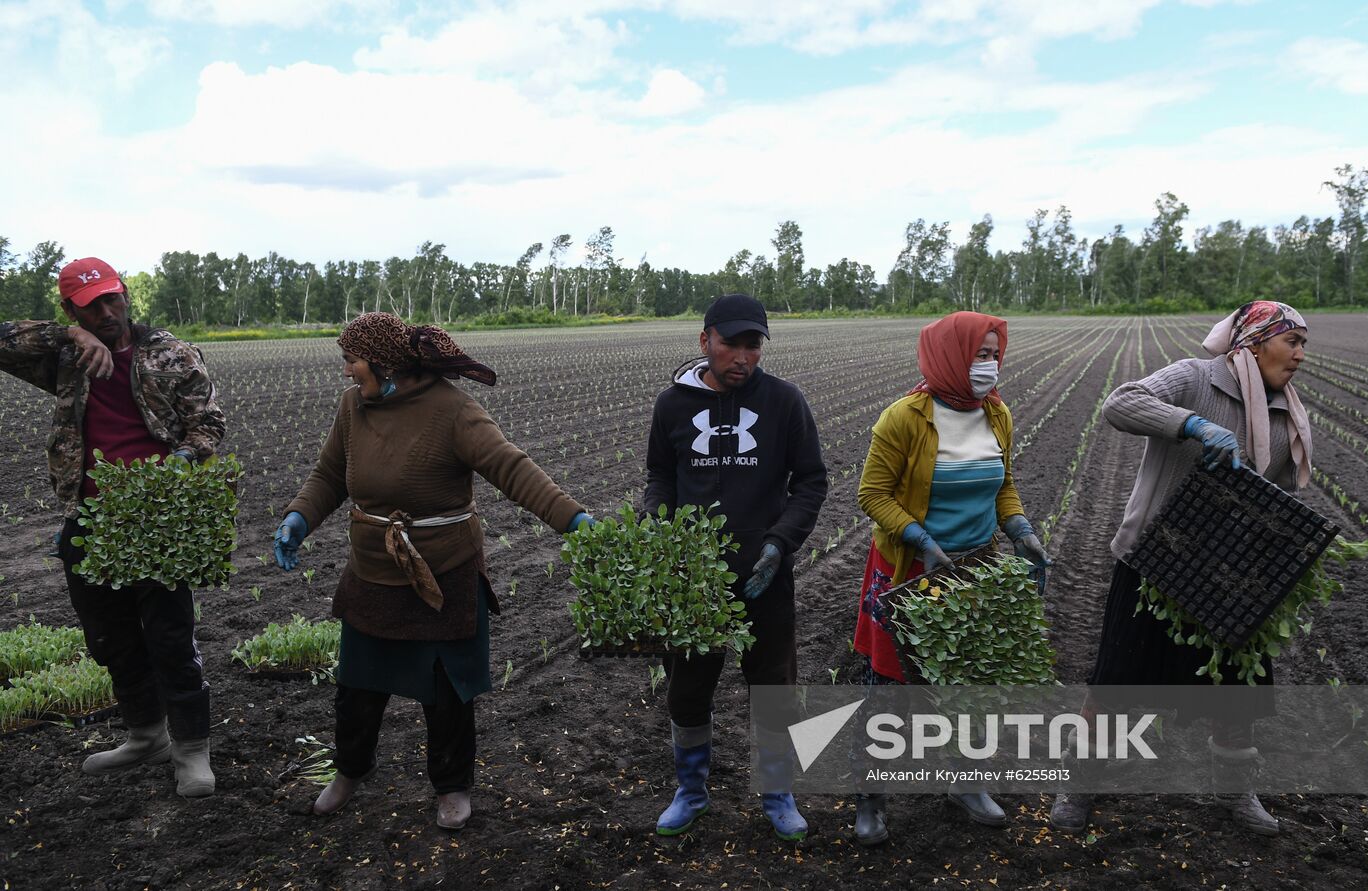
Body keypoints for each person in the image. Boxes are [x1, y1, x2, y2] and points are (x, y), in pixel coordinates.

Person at [273, 312, 592, 832]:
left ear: (384, 362)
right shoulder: (353, 407)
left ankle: (451, 787)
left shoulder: (453, 410)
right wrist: (298, 517)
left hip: (443, 573)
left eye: (352, 361)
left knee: (446, 692)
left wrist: (574, 519)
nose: (348, 372)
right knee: (357, 688)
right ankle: (350, 772)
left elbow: (512, 469)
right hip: (373, 572)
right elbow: (330, 473)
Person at [1049, 300, 1312, 837]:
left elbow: (1280, 492)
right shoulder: (1197, 379)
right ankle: (1077, 785)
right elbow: (1122, 403)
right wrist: (1192, 425)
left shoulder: (1288, 411)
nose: (1301, 355)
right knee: (1115, 683)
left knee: (1236, 688)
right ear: (1257, 341)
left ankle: (1236, 791)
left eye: (1303, 343)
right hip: (1156, 560)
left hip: (1232, 571)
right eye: (1293, 342)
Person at [0, 257, 226, 798]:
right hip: (90, 515)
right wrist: (71, 334)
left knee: (171, 638)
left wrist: (184, 458)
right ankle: (147, 735)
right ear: (71, 309)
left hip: (155, 515)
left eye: (112, 298)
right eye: (91, 306)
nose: (107, 312)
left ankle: (192, 749)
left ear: (124, 293)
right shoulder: (64, 353)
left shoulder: (169, 352)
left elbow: (209, 421)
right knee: (109, 638)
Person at [850, 311, 1049, 845]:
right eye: (978, 355)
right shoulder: (905, 418)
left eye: (993, 355)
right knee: (888, 688)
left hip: (973, 568)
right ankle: (870, 799)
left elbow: (1001, 484)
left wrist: (1020, 528)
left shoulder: (997, 414)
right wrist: (922, 542)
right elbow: (872, 494)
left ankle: (964, 782)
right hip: (909, 572)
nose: (988, 366)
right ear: (948, 357)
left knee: (969, 682)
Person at [643, 293, 827, 841]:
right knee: (688, 688)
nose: (742, 357)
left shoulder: (785, 403)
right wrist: (656, 521)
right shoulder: (672, 406)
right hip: (693, 580)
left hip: (765, 576)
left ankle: (778, 793)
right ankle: (691, 791)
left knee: (772, 686)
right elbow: (660, 477)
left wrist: (778, 545)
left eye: (753, 346)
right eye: (731, 344)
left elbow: (812, 481)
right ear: (705, 342)